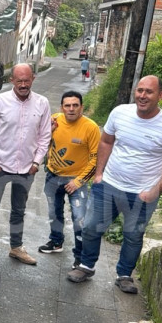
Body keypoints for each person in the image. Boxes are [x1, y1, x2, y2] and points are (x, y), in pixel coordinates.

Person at [66, 75, 162, 294]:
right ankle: (86, 266)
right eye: (140, 90)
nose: (142, 95)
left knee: (133, 235)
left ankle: (124, 275)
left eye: (149, 92)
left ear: (160, 95)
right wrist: (99, 174)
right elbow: (106, 141)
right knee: (90, 226)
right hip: (108, 184)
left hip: (142, 194)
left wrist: (154, 192)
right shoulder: (120, 113)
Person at [0, 63, 51, 265]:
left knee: (19, 209)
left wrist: (36, 163)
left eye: (27, 80)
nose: (23, 85)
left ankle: (16, 247)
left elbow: (45, 136)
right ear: (12, 81)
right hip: (0, 165)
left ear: (33, 79)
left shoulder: (42, 103)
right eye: (19, 81)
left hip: (27, 167)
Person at [38, 91, 101, 266]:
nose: (71, 109)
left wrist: (78, 181)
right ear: (62, 107)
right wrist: (48, 132)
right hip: (53, 176)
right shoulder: (54, 120)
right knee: (54, 212)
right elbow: (40, 142)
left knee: (80, 219)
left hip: (76, 180)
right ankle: (56, 241)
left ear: (81, 107)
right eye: (67, 105)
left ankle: (80, 257)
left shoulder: (91, 128)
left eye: (75, 105)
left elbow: (95, 158)